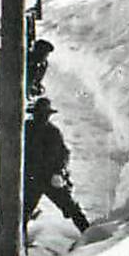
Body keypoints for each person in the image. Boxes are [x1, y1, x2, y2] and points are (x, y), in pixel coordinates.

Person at [24, 97, 89, 232]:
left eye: (45, 114)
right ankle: (20, 244)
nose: (42, 117)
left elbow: (63, 154)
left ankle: (90, 235)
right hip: (31, 178)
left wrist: (59, 172)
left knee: (71, 208)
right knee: (22, 213)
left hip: (49, 178)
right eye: (40, 114)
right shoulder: (26, 129)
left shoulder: (53, 132)